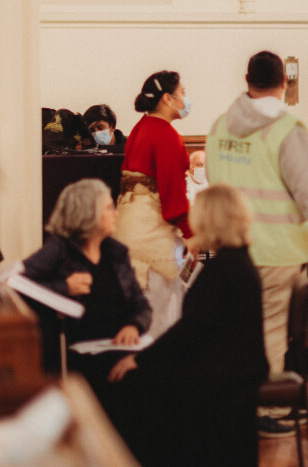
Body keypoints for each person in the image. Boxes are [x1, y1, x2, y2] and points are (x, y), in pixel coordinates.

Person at [206, 51, 308, 434]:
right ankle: (264, 410)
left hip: (228, 251)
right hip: (276, 250)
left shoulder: (221, 127)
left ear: (246, 80)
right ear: (284, 82)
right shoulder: (288, 130)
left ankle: (235, 405)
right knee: (271, 331)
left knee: (237, 330)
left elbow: (213, 183)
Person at [105, 184, 269, 465]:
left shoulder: (222, 270)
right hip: (237, 369)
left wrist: (141, 359)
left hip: (221, 375)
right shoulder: (237, 259)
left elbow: (192, 329)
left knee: (134, 383)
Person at [22, 179, 151, 393]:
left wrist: (134, 325)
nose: (116, 214)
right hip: (77, 354)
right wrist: (64, 287)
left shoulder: (117, 253)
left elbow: (141, 305)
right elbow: (17, 285)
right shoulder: (59, 249)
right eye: (108, 208)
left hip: (119, 347)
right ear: (88, 213)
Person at [115, 70, 193, 338]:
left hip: (127, 227)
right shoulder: (166, 135)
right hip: (151, 234)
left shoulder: (141, 127)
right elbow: (173, 197)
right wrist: (192, 234)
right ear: (167, 99)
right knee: (161, 320)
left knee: (137, 315)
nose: (186, 99)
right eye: (183, 93)